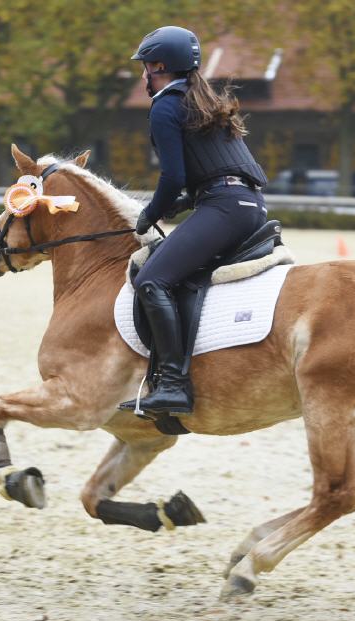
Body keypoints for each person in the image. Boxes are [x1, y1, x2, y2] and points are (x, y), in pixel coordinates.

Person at [119, 26, 269, 416]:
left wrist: (150, 213)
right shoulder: (204, 101)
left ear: (159, 66)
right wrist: (180, 203)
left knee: (153, 280)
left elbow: (172, 177)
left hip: (224, 209)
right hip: (249, 205)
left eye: (145, 68)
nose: (143, 76)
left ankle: (172, 385)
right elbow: (211, 173)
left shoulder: (166, 107)